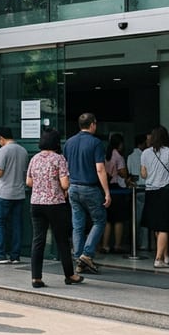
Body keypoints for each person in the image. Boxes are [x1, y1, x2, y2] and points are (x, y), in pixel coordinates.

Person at [27, 129, 82, 288]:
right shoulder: (59, 159)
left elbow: (29, 182)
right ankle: (70, 275)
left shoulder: (35, 159)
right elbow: (65, 184)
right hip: (55, 204)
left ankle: (36, 278)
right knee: (62, 241)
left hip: (36, 204)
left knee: (38, 240)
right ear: (56, 142)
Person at [63, 113, 110, 276]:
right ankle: (87, 254)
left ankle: (79, 259)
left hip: (73, 187)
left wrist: (65, 189)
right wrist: (107, 192)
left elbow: (65, 167)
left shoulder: (69, 142)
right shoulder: (96, 143)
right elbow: (100, 169)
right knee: (99, 220)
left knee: (78, 225)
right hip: (90, 187)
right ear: (92, 124)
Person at [140, 125, 169, 269]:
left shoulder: (145, 153)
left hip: (151, 191)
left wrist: (153, 172)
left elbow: (144, 174)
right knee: (165, 226)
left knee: (156, 226)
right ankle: (158, 259)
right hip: (166, 191)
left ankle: (165, 256)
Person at [0, 127, 28, 265]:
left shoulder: (3, 151)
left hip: (4, 193)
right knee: (16, 225)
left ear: (1, 138)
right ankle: (15, 256)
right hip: (20, 193)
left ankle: (0, 254)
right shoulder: (23, 151)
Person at [101, 133, 129, 254]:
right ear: (120, 144)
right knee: (118, 219)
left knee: (107, 219)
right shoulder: (118, 156)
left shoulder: (104, 154)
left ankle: (105, 245)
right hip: (116, 189)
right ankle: (117, 245)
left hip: (104, 188)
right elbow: (123, 173)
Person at [126, 133, 149, 251]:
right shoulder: (146, 156)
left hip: (135, 189)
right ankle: (144, 243)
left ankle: (135, 242)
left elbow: (129, 172)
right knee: (145, 218)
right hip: (145, 188)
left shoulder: (130, 157)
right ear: (142, 143)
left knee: (136, 218)